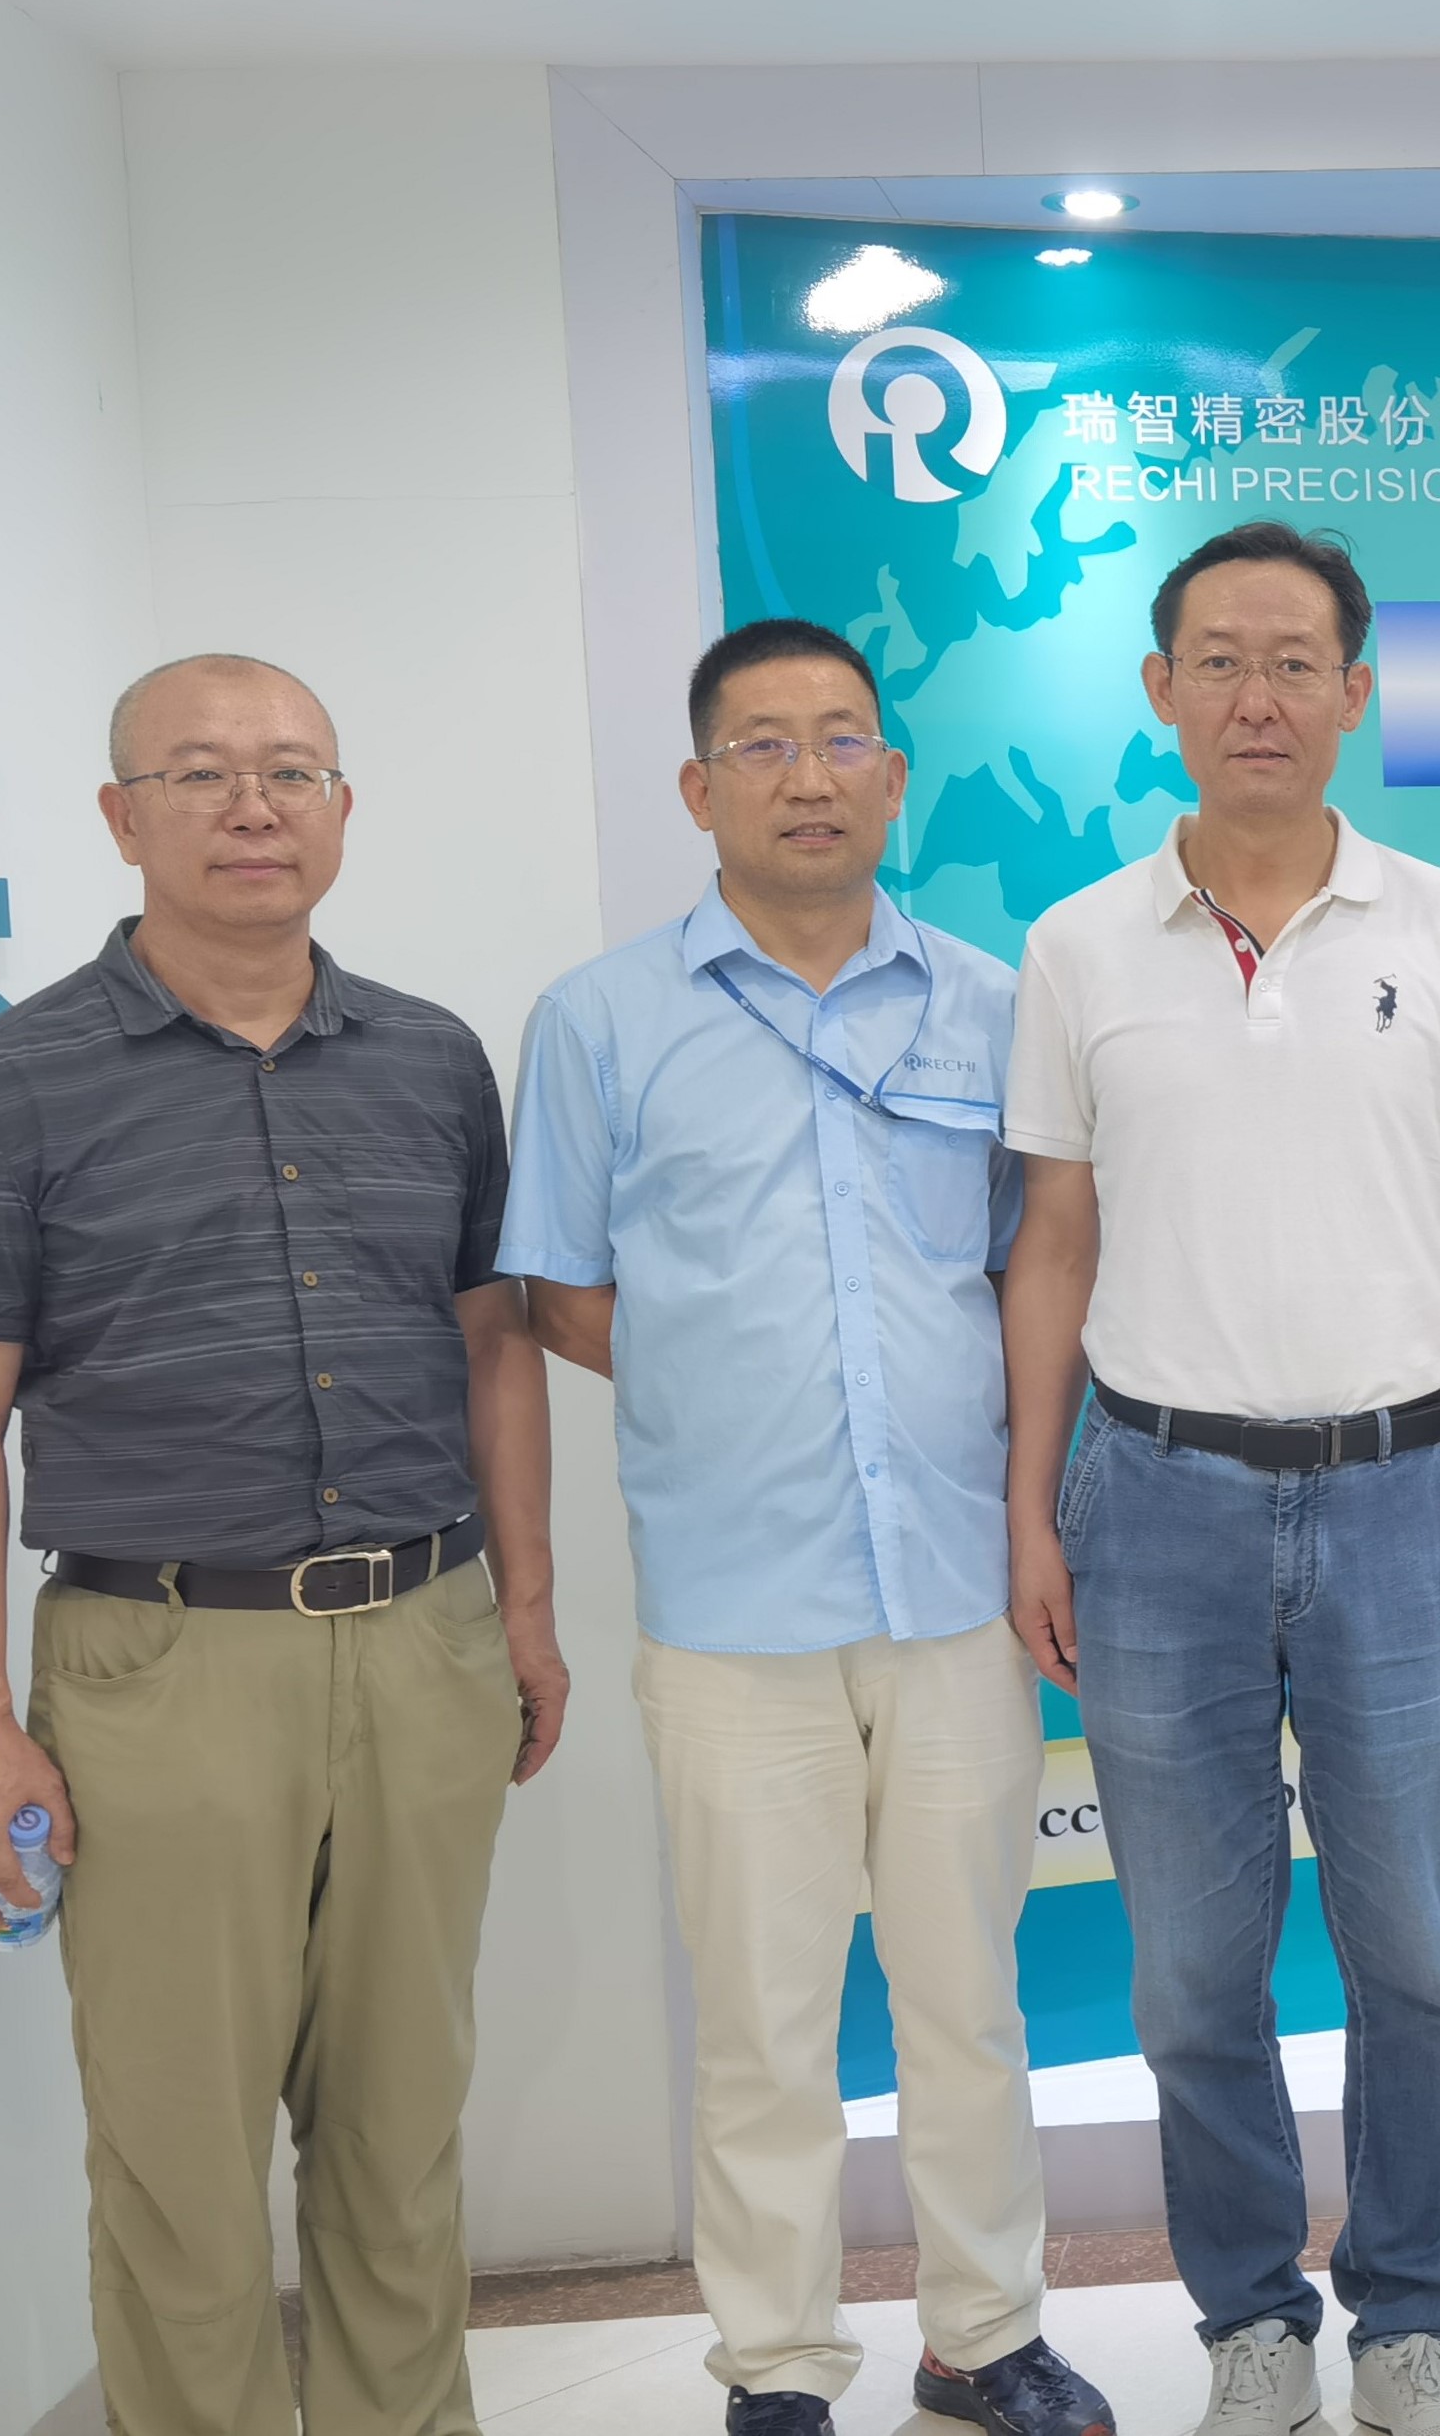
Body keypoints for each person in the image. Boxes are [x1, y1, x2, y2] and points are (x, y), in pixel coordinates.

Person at [0, 654, 561, 2436]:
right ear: (122, 818)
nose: (252, 806)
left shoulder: (430, 1059)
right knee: (178, 2159)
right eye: (198, 773)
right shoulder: (3, 1086)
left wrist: (526, 1613)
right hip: (158, 1665)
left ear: (342, 809)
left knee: (402, 2134)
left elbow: (492, 1345)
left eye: (290, 771)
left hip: (425, 1637)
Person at [497, 619, 1109, 2436]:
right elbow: (563, 1292)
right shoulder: (600, 1019)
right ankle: (776, 2362)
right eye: (762, 745)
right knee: (764, 2020)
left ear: (892, 777)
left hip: (956, 1589)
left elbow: (1035, 1273)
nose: (808, 775)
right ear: (699, 789)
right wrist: (736, 1387)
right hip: (728, 1602)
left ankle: (984, 2335)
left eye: (842, 738)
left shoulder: (994, 1005)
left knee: (965, 1999)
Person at [1000, 522, 1440, 2436]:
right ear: (1161, 689)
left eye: (1297, 660)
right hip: (1154, 1506)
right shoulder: (1078, 947)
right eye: (1221, 660)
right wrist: (1031, 1509)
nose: (1259, 695)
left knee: (1414, 1956)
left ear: (1355, 690)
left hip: (1409, 1496)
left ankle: (1408, 2320)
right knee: (1189, 1970)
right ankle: (1250, 2320)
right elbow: (1053, 1248)